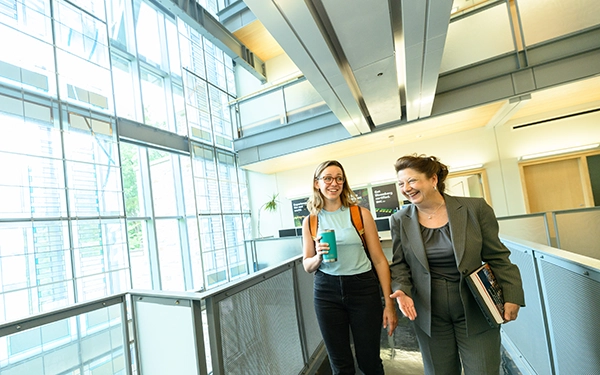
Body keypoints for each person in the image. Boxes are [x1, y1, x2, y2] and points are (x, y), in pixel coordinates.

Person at [388, 154, 525, 375]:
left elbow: (498, 256)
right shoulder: (399, 219)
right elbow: (400, 264)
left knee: (483, 370)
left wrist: (512, 295)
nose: (406, 188)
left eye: (412, 181)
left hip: (475, 306)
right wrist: (401, 290)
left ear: (433, 180)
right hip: (429, 311)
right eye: (401, 183)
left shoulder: (474, 208)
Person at [302, 160, 398, 375]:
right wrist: (318, 256)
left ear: (343, 183)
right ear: (317, 183)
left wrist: (389, 304)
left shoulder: (360, 214)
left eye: (339, 178)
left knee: (369, 360)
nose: (333, 183)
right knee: (340, 364)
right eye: (327, 178)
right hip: (326, 291)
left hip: (363, 288)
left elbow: (380, 260)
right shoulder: (310, 221)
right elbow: (307, 265)